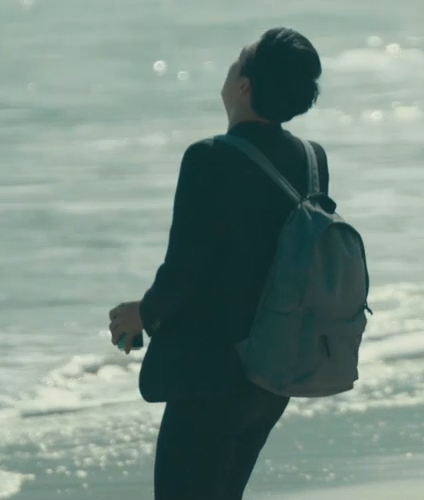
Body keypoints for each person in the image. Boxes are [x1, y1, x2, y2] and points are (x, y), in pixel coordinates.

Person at [107, 27, 329, 500]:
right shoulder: (313, 160)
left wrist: (140, 314)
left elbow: (185, 271)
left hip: (211, 373)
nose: (228, 70)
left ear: (244, 85)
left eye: (236, 61)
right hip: (272, 370)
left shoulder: (208, 159)